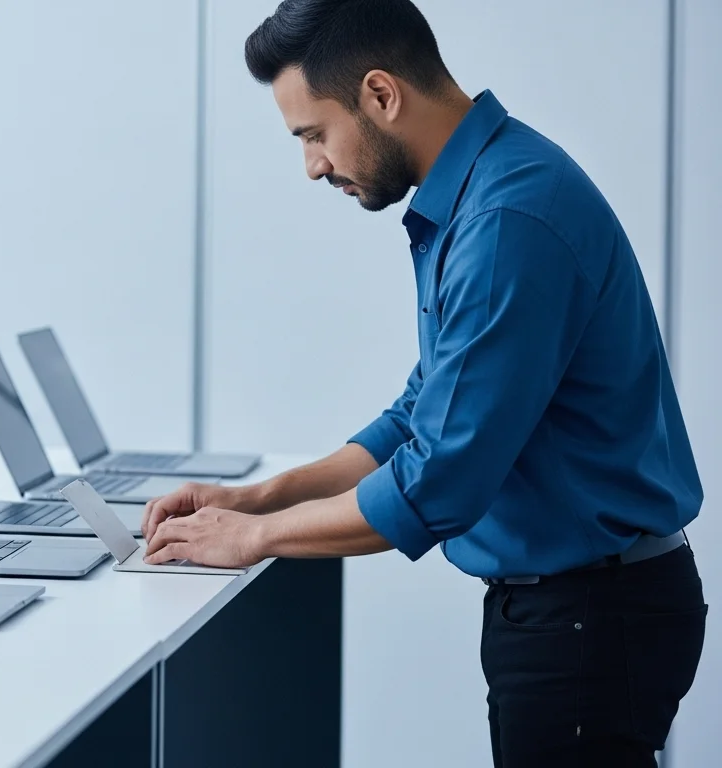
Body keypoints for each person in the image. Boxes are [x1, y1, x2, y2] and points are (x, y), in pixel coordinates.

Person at [140, 1, 706, 765]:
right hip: (570, 609)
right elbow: (417, 418)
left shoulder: (508, 218)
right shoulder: (480, 196)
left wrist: (254, 539)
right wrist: (257, 497)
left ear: (380, 94)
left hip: (589, 618)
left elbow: (439, 481)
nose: (312, 165)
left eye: (313, 134)